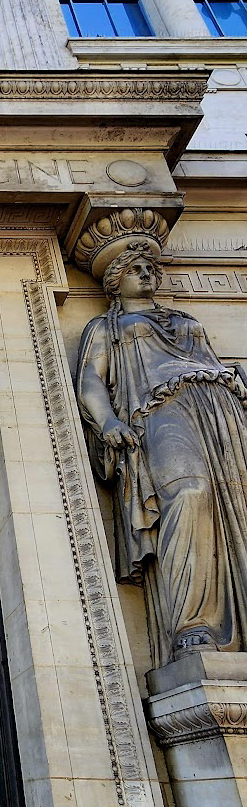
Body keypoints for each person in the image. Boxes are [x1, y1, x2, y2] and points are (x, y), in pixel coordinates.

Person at [76, 238, 247, 666]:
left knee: (237, 506)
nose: (148, 275)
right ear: (115, 284)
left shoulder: (183, 317)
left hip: (220, 407)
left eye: (151, 269)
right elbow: (91, 381)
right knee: (189, 495)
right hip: (157, 410)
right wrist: (109, 421)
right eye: (136, 269)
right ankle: (195, 622)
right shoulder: (106, 327)